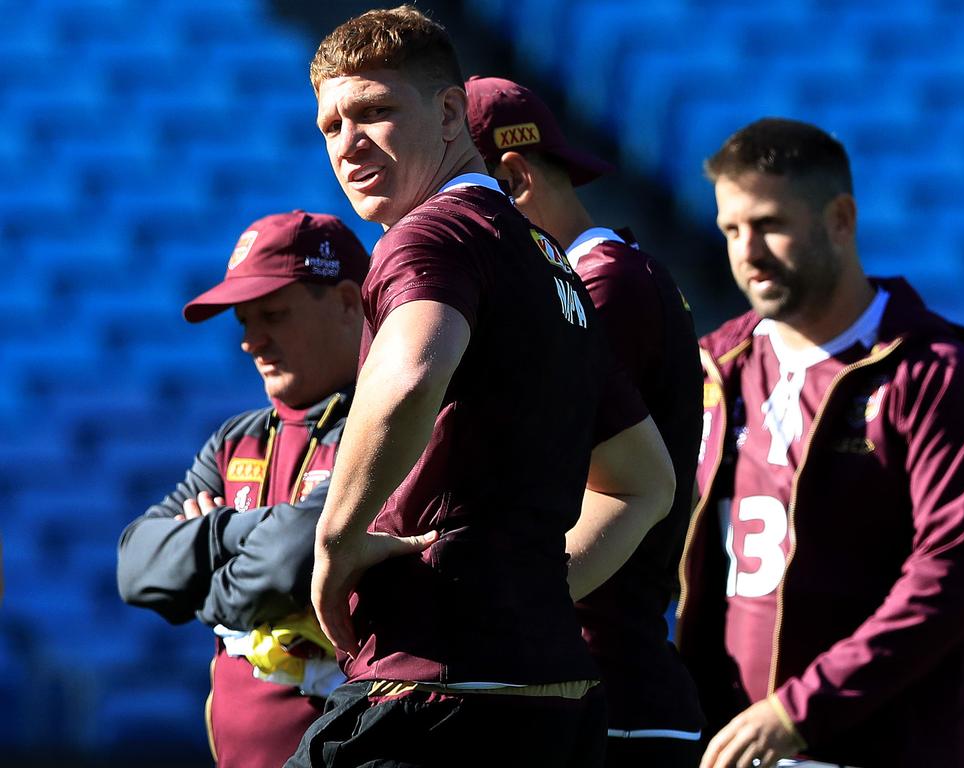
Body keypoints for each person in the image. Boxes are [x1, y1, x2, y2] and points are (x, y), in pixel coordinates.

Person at [287, 6, 676, 767]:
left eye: (374, 111)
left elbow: (411, 374)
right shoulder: (548, 261)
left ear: (446, 110)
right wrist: (538, 590)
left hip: (434, 692)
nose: (348, 142)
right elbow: (644, 484)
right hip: (550, 696)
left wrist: (334, 543)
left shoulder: (433, 234)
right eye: (330, 125)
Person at [674, 117, 964, 768]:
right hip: (732, 746)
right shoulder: (717, 367)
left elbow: (951, 579)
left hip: (887, 748)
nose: (748, 251)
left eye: (769, 223)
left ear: (840, 218)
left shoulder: (934, 377)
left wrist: (798, 712)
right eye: (731, 231)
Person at [464, 75, 706, 768]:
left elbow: (528, 473)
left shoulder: (600, 289)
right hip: (592, 678)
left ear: (512, 180)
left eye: (458, 204)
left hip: (601, 689)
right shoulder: (607, 277)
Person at [117, 210, 369, 768]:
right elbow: (134, 567)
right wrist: (235, 530)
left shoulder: (385, 426)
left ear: (350, 303)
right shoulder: (236, 440)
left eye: (273, 315)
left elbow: (293, 558)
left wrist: (209, 581)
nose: (251, 343)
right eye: (244, 322)